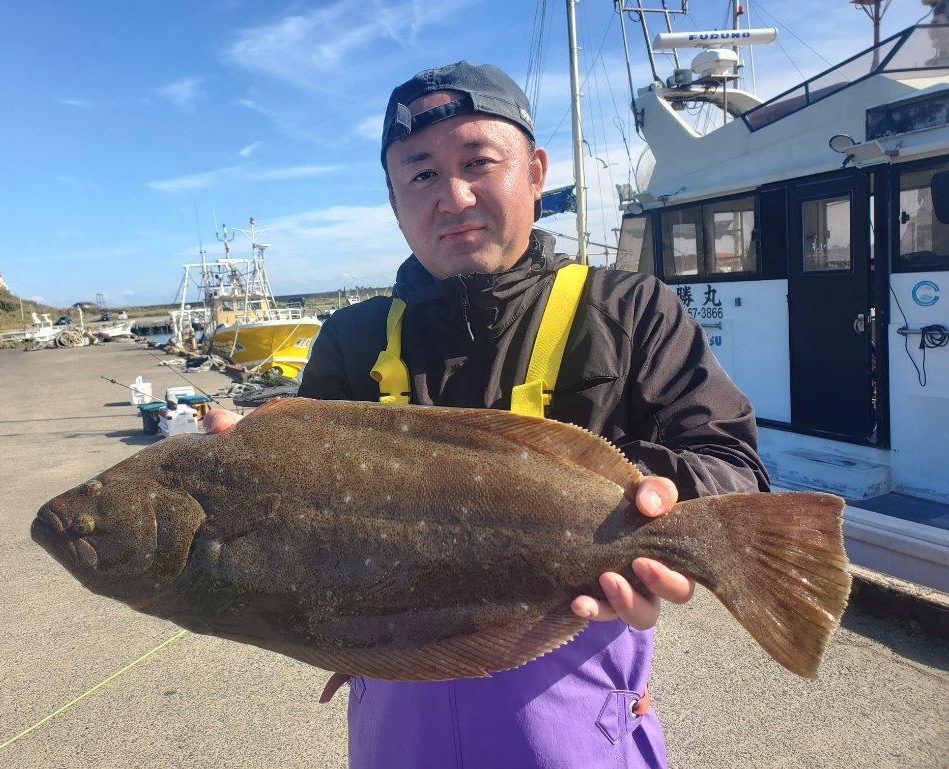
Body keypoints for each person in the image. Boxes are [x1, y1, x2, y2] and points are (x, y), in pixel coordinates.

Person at [206, 61, 768, 768]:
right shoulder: (351, 339)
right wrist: (237, 487)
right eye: (421, 175)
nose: (454, 196)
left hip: (577, 716)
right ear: (394, 201)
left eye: (478, 162)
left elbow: (732, 465)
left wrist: (660, 511)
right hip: (395, 725)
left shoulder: (631, 310)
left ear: (535, 173)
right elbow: (302, 530)